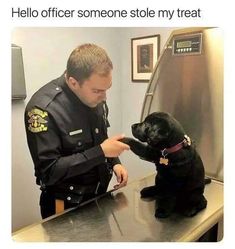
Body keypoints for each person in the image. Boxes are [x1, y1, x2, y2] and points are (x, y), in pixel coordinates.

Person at [24, 43, 130, 219]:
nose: (104, 97)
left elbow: (100, 137)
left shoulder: (94, 97)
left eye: (107, 89)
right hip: (64, 207)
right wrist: (101, 152)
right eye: (97, 91)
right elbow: (49, 172)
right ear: (73, 82)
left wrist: (114, 162)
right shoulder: (43, 109)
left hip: (98, 198)